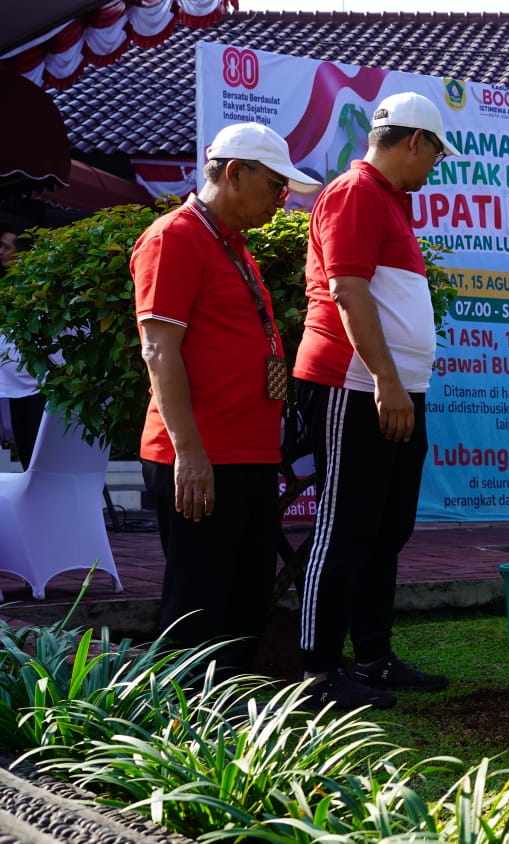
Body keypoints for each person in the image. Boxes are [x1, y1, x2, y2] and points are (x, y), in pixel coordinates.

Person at [131, 123, 321, 674]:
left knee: (246, 596)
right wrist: (190, 454)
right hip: (201, 456)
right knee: (198, 604)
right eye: (275, 185)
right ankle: (180, 726)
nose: (281, 199)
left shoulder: (233, 244)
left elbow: (262, 342)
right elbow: (159, 352)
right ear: (235, 173)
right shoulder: (174, 237)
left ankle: (232, 721)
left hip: (250, 455)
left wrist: (280, 416)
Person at [295, 91, 459, 711]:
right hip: (352, 384)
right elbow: (348, 291)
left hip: (392, 389)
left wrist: (399, 384)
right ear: (414, 141)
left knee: (386, 528)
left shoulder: (389, 200)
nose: (434, 167)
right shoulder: (354, 192)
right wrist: (385, 380)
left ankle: (373, 658)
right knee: (344, 528)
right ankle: (316, 672)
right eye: (435, 155)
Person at [1, 229, 46, 469]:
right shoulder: (8, 285)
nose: (1, 253)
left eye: (6, 247)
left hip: (40, 383)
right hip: (16, 383)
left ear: (21, 253)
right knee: (27, 458)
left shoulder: (38, 286)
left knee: (38, 457)